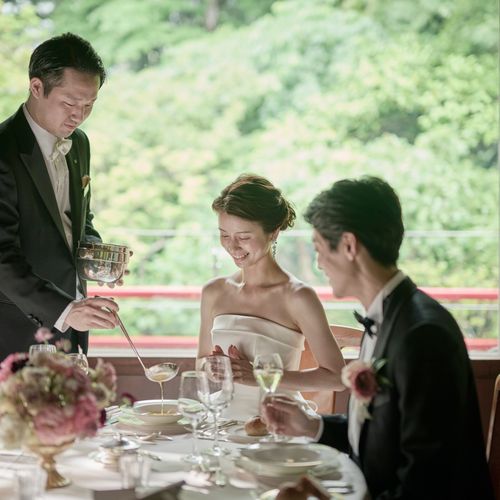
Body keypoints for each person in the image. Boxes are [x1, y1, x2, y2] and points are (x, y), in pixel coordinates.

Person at [262, 177, 493, 499]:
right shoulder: (387, 318)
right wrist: (312, 426)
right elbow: (383, 435)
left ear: (348, 246)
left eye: (319, 249)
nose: (318, 264)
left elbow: (427, 481)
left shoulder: (423, 336)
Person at [0, 33, 119, 361]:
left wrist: (98, 258)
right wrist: (66, 310)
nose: (79, 115)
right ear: (36, 87)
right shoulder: (3, 151)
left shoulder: (79, 143)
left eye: (89, 104)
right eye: (69, 103)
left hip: (73, 332)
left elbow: (78, 222)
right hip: (15, 332)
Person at [197, 174, 345, 420]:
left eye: (243, 237)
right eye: (224, 235)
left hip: (279, 423)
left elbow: (337, 377)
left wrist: (259, 375)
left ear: (273, 233)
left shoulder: (298, 297)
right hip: (219, 421)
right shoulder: (214, 292)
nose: (232, 246)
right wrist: (215, 368)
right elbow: (200, 363)